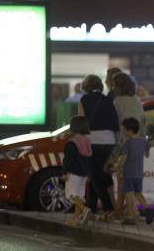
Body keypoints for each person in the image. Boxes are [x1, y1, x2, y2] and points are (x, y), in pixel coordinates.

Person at [78, 74, 119, 218]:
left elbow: (81, 121)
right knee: (102, 174)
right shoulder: (108, 100)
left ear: (86, 86)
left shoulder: (84, 100)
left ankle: (108, 207)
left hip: (92, 140)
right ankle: (92, 207)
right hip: (109, 140)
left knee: (94, 175)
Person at [113, 72, 145, 217]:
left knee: (123, 179)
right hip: (137, 143)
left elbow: (117, 124)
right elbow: (143, 124)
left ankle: (121, 210)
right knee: (133, 183)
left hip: (124, 143)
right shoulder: (137, 101)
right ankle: (132, 209)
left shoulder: (118, 102)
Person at [62, 116, 94, 226]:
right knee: (80, 196)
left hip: (73, 173)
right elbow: (90, 159)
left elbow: (68, 160)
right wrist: (89, 173)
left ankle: (85, 210)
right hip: (84, 174)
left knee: (71, 195)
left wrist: (65, 172)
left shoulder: (72, 143)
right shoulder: (87, 141)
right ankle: (76, 219)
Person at [120, 117, 152, 225]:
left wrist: (119, 167)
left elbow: (124, 158)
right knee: (138, 193)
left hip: (129, 173)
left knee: (129, 195)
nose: (123, 132)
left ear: (129, 130)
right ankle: (147, 209)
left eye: (124, 130)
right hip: (139, 173)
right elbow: (147, 154)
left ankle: (130, 216)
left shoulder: (127, 143)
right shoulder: (143, 141)